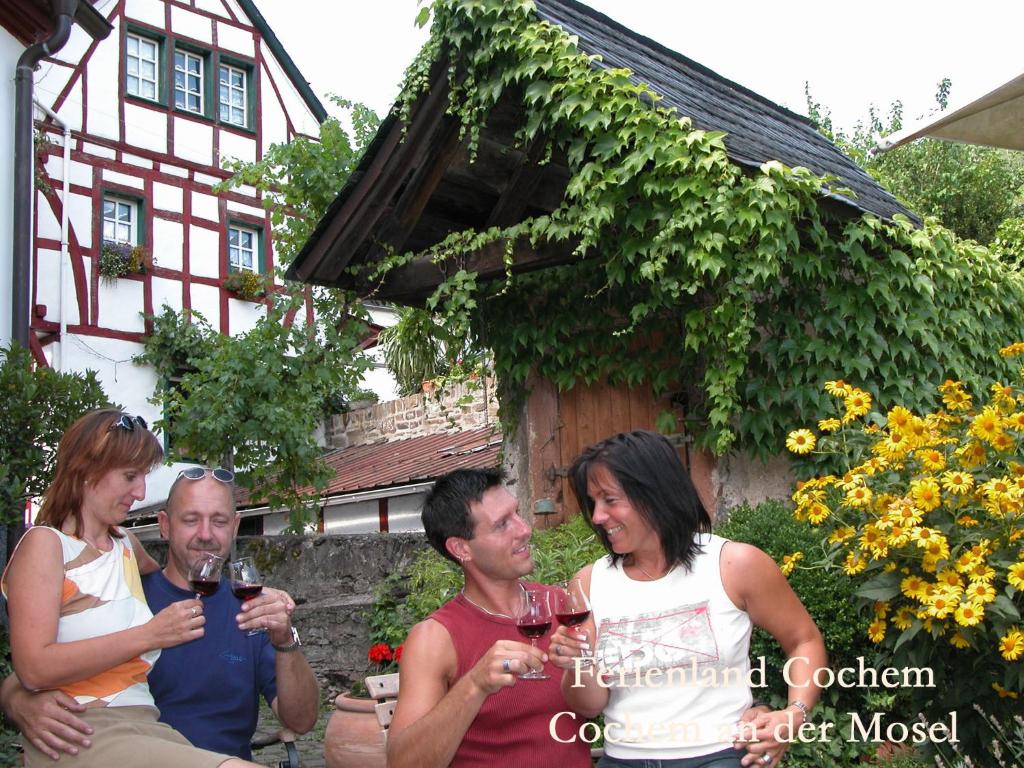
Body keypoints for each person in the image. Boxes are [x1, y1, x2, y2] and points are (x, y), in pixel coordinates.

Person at [2, 459, 320, 761]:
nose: (206, 534)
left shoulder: (253, 611)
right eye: (191, 520)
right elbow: (36, 667)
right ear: (165, 525)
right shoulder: (127, 592)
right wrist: (19, 700)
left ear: (235, 527)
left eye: (219, 521)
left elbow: (302, 721)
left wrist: (285, 640)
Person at [549, 430, 828, 768]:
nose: (596, 517)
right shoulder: (590, 582)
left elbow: (804, 640)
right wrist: (577, 664)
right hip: (623, 760)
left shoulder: (733, 565)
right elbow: (590, 705)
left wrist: (793, 714)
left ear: (655, 493)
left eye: (610, 499)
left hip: (722, 757)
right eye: (592, 504)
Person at [386, 468, 592, 768]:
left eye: (517, 513)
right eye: (502, 524)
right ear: (461, 548)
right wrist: (475, 684)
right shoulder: (436, 638)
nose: (524, 529)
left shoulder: (563, 607)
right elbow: (402, 763)